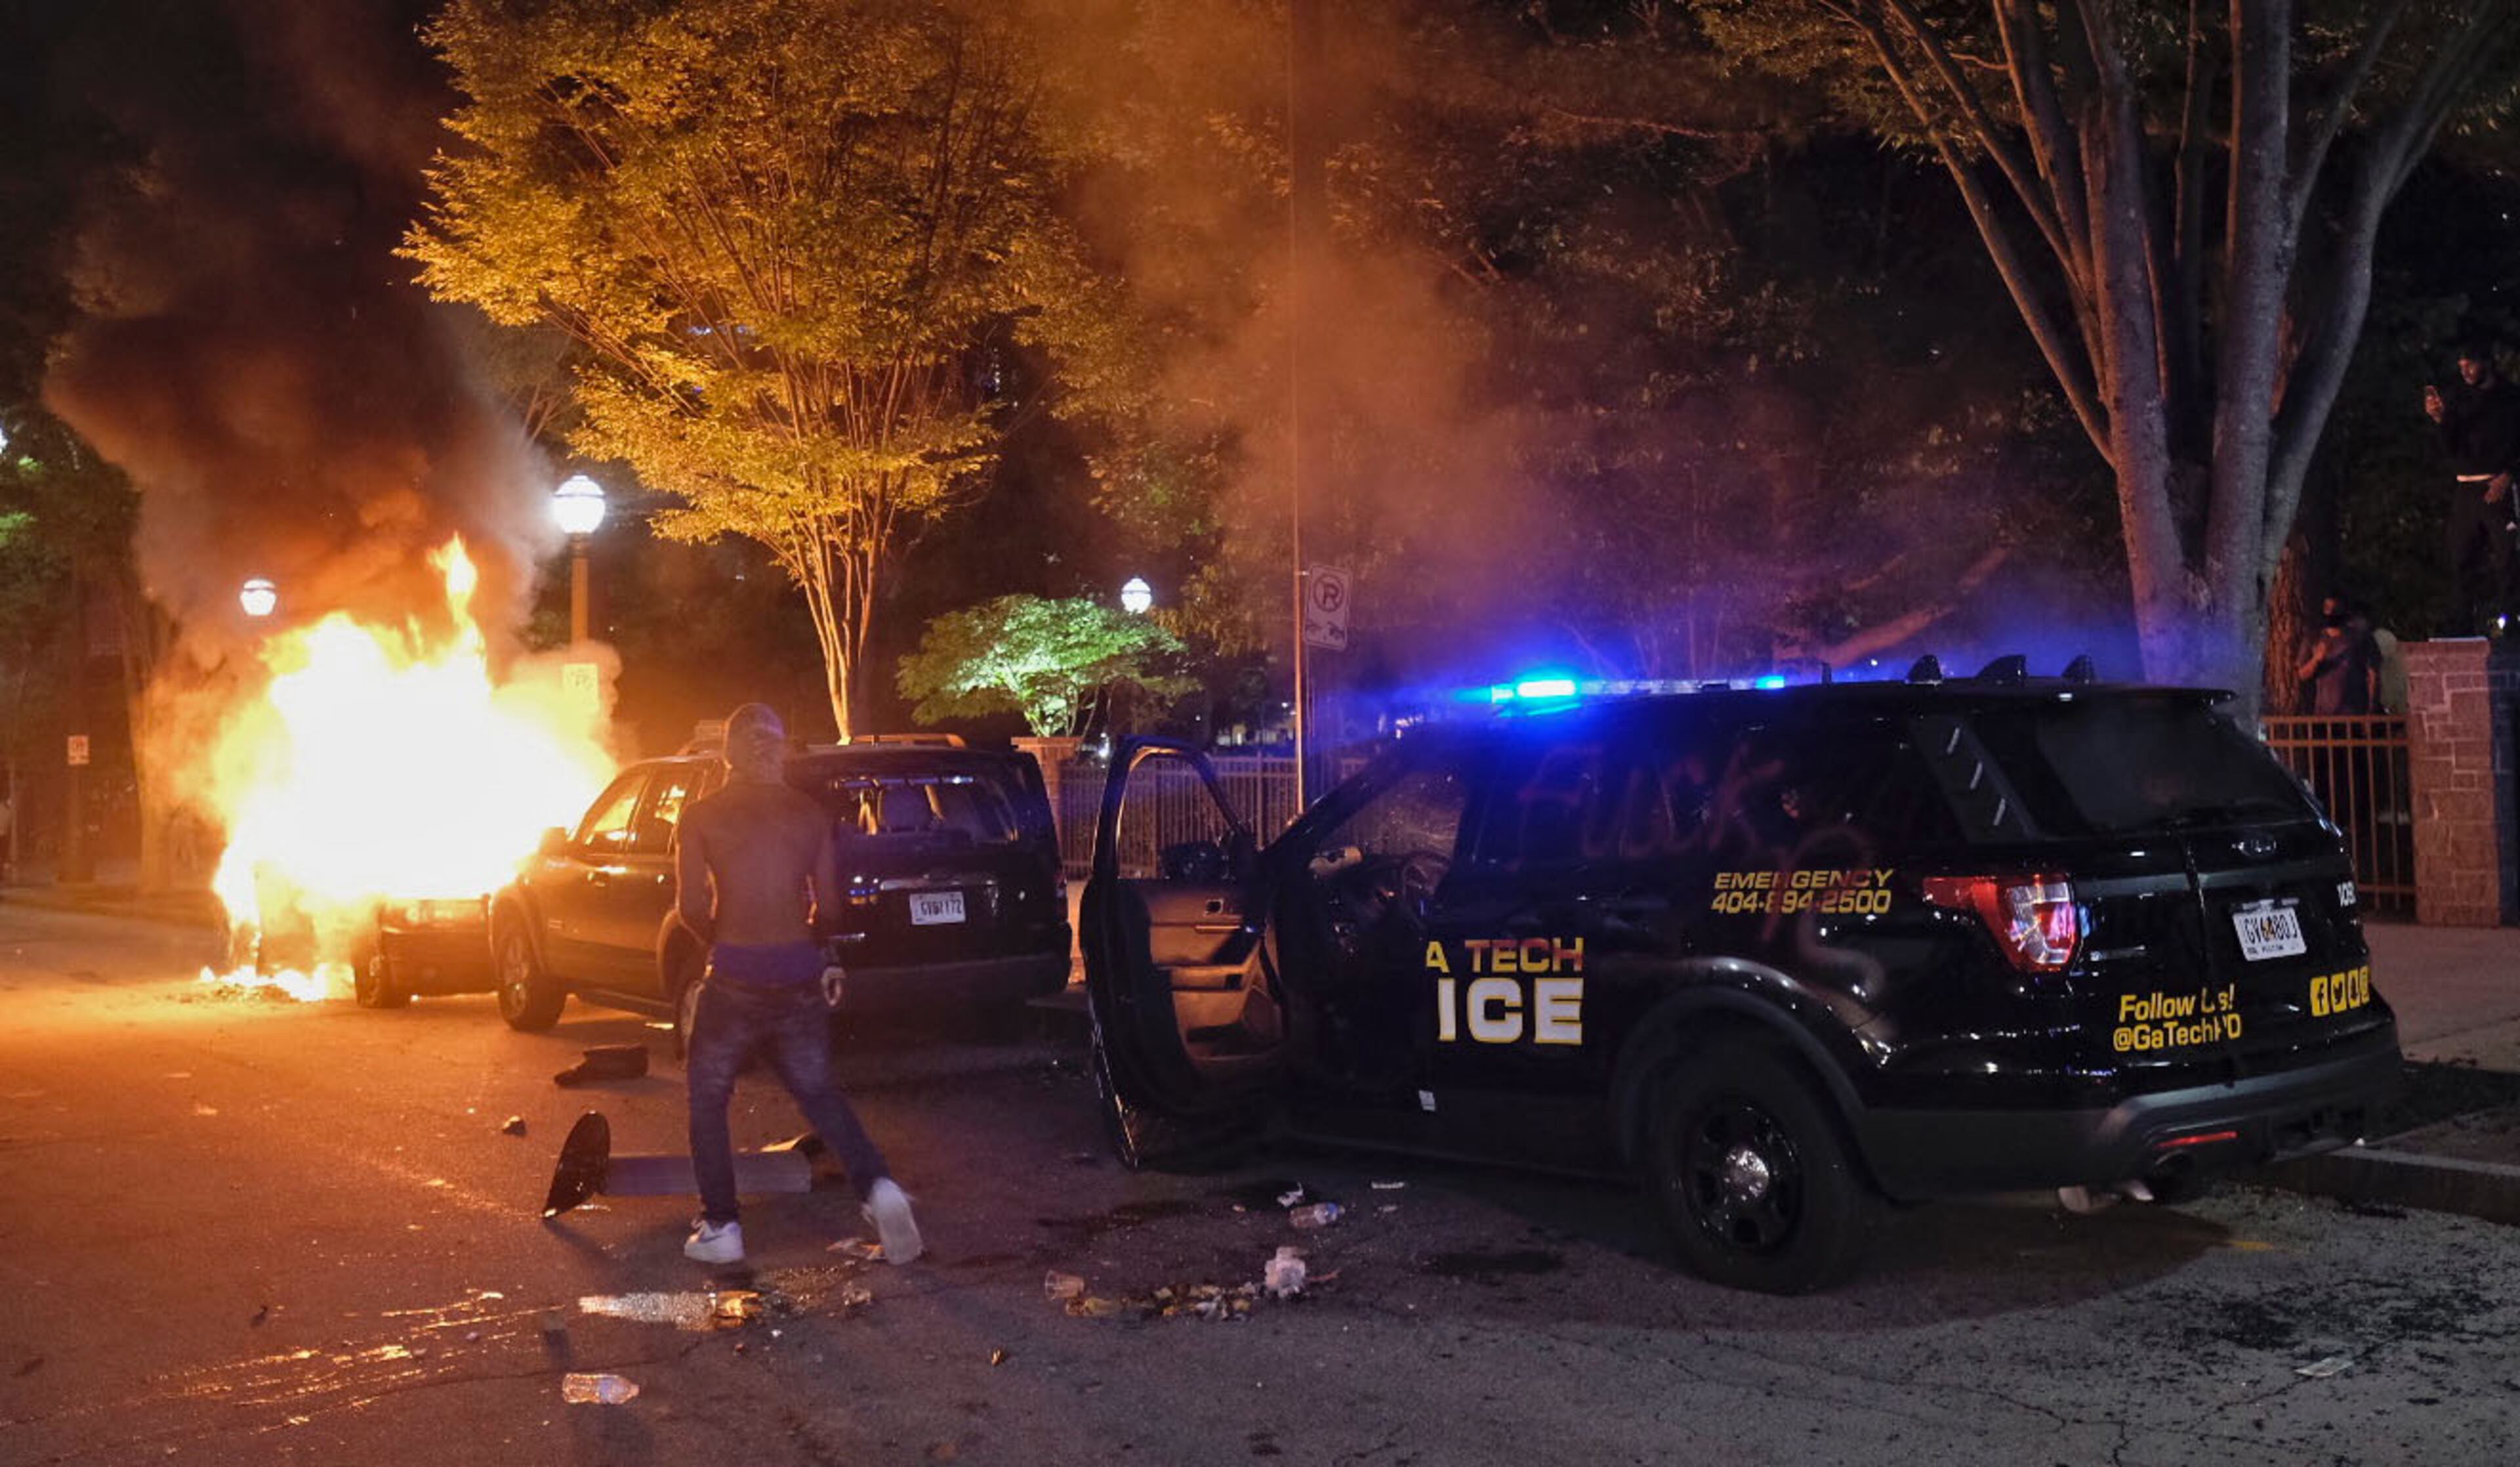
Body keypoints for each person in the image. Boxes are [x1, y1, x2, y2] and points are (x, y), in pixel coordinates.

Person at [676, 702, 921, 1267]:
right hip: (798, 973)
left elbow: (690, 905)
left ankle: (722, 1224)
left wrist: (720, 939)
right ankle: (879, 1186)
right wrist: (816, 948)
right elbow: (830, 908)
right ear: (779, 751)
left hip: (734, 972)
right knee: (818, 1091)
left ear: (729, 753)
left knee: (709, 1095)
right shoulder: (809, 814)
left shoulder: (702, 815)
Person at [2424, 339, 2520, 635]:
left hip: (2498, 486)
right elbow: (2452, 446)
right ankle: (2463, 627)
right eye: (2461, 366)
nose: (2465, 372)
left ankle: (2512, 625)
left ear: (2486, 363)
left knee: (2507, 559)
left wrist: (2508, 476)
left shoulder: (2511, 398)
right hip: (2466, 488)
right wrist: (2441, 419)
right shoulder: (2462, 400)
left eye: (2470, 365)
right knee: (2461, 557)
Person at [2294, 595, 2381, 715]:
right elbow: (2302, 675)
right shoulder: (2313, 637)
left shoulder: (2361, 638)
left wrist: (2371, 711)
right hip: (2324, 717)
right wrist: (2316, 660)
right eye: (2327, 608)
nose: (2331, 613)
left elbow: (2373, 675)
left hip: (2354, 717)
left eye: (2335, 609)